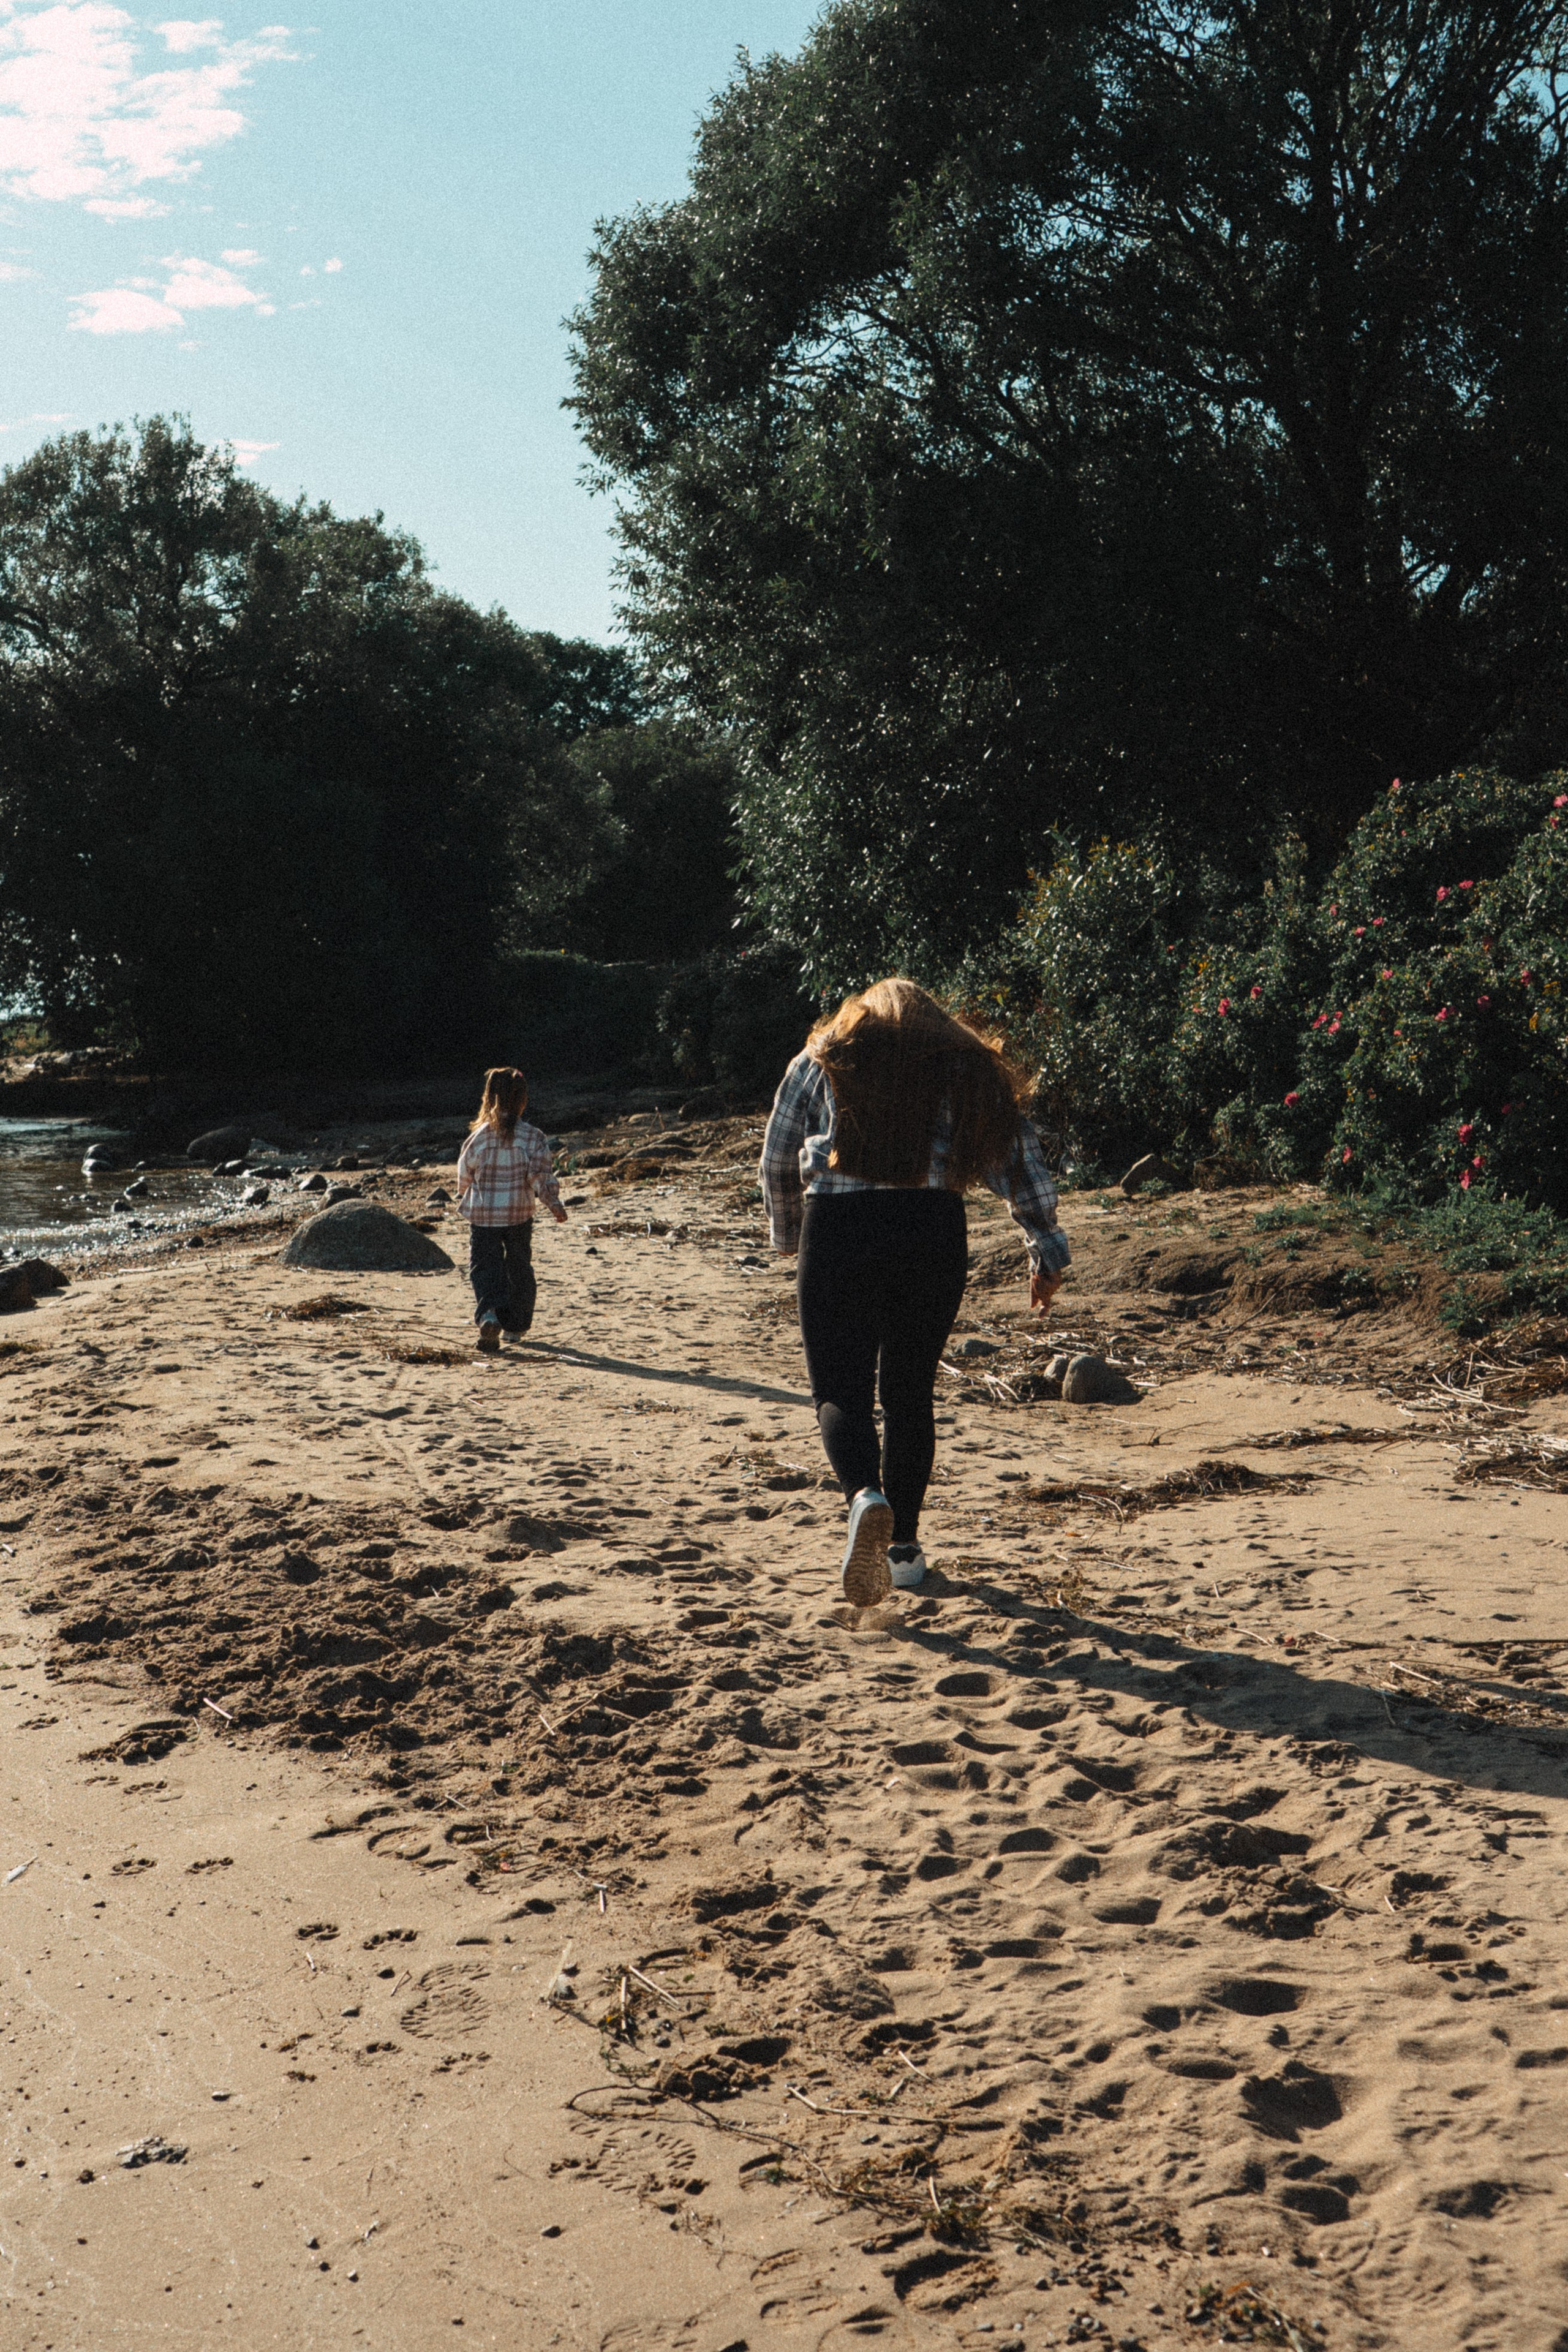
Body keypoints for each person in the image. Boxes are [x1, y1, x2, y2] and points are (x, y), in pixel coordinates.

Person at [761, 979, 1069, 1604]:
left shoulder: (823, 1055)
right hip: (930, 1230)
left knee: (839, 1389)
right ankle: (902, 1551)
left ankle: (863, 1497)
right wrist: (1045, 1250)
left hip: (839, 1229)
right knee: (907, 1394)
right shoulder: (961, 1069)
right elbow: (1019, 1161)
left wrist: (792, 1237)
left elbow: (776, 1157)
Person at [456, 1067, 566, 1354]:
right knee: (519, 1267)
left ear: (487, 1098)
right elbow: (540, 1177)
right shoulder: (533, 1137)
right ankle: (515, 1326)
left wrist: (464, 1190)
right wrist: (553, 1203)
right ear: (523, 1101)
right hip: (519, 1215)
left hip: (484, 1217)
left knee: (484, 1267)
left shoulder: (478, 1138)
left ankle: (490, 1314)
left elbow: (464, 1173)